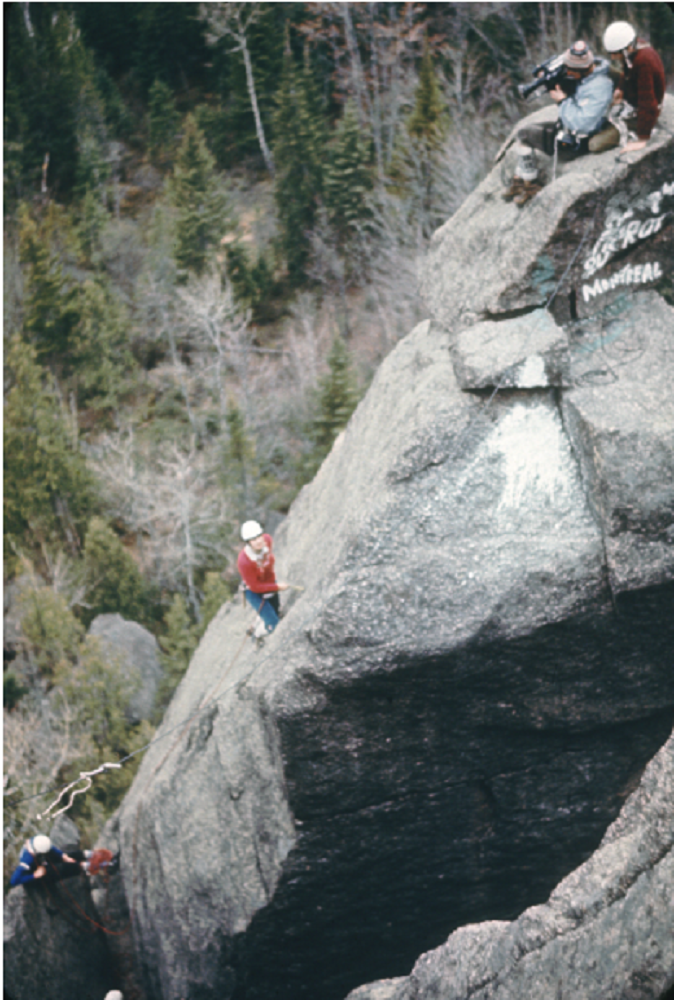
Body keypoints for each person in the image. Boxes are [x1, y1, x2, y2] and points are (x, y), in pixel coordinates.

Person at [504, 40, 617, 206]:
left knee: (524, 135)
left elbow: (582, 124)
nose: (567, 72)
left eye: (570, 70)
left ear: (580, 70)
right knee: (524, 132)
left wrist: (563, 101)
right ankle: (520, 180)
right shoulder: (589, 74)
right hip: (568, 128)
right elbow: (575, 90)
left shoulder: (600, 87)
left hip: (577, 142)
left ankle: (530, 184)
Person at [603, 21, 666, 153]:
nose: (613, 57)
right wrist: (620, 89)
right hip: (633, 95)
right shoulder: (635, 48)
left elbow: (647, 101)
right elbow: (626, 71)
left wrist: (642, 138)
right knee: (605, 69)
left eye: (615, 53)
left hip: (641, 109)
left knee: (596, 144)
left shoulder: (643, 61)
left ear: (626, 49)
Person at [237, 520, 289, 639]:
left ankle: (260, 618)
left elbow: (268, 565)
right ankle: (257, 634)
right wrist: (277, 587)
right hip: (253, 591)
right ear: (248, 542)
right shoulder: (244, 561)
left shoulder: (267, 541)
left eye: (259, 536)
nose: (259, 541)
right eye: (254, 539)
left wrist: (272, 586)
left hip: (268, 582)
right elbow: (255, 586)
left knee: (277, 613)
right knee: (273, 624)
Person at [10, 834, 83, 887]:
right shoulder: (26, 860)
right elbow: (14, 881)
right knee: (56, 869)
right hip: (35, 870)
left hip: (39, 860)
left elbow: (51, 848)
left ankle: (84, 856)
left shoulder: (37, 841)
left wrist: (63, 856)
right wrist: (34, 875)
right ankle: (82, 866)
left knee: (67, 855)